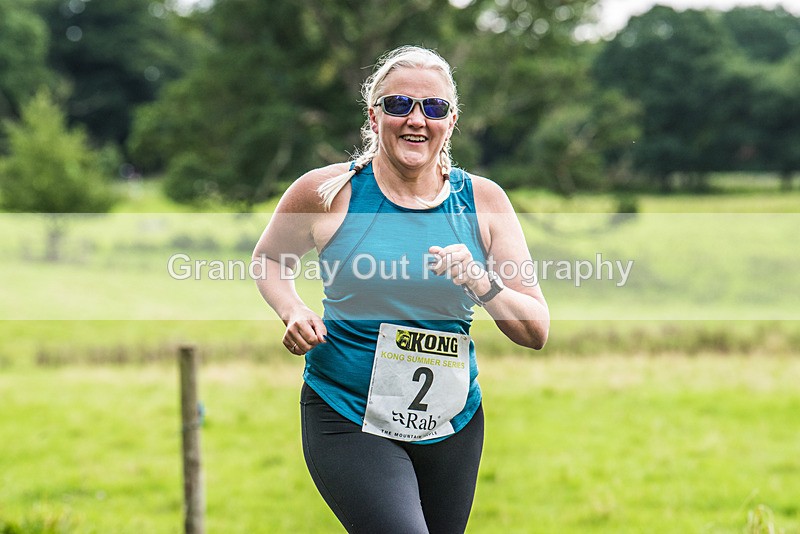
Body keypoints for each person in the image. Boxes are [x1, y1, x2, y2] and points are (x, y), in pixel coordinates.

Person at [253, 45, 549, 534]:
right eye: (399, 105)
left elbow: (536, 329)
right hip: (347, 412)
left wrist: (481, 281)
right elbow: (268, 260)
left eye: (433, 108)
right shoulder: (326, 193)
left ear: (450, 122)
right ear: (374, 117)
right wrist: (292, 309)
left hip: (451, 421)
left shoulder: (483, 201)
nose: (417, 119)